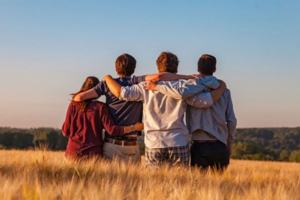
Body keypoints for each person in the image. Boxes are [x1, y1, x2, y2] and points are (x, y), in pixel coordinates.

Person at [102, 52, 226, 168]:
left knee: (154, 186)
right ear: (176, 69)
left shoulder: (144, 86)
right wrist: (221, 87)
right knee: (180, 186)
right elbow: (205, 101)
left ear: (158, 68)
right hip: (179, 141)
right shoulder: (184, 86)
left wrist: (107, 78)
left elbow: (122, 93)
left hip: (154, 143)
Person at [73, 53, 194, 163]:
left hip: (111, 144)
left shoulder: (106, 84)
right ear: (134, 69)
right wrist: (187, 77)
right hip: (132, 145)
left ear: (116, 69)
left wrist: (99, 104)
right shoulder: (136, 82)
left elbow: (79, 98)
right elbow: (158, 77)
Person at [147, 54, 237, 171]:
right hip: (220, 145)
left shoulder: (190, 89)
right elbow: (231, 121)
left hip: (199, 146)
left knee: (199, 186)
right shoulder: (224, 91)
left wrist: (156, 87)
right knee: (219, 187)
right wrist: (229, 143)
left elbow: (180, 93)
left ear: (198, 69)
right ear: (214, 69)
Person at [62, 76, 144, 160]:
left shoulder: (73, 105)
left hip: (72, 153)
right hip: (93, 155)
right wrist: (133, 127)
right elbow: (112, 130)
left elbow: (65, 131)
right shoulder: (101, 107)